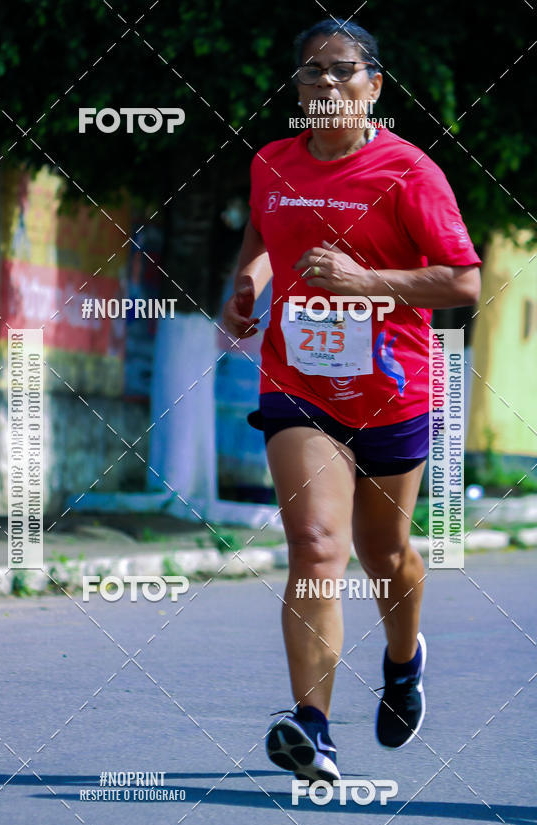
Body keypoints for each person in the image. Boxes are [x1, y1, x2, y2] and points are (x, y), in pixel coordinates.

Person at [221, 18, 481, 783]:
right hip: (298, 387)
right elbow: (263, 237)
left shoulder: (408, 173)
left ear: (374, 86)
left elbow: (462, 281)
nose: (326, 84)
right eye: (311, 72)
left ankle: (404, 662)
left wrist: (367, 283)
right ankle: (312, 727)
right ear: (297, 89)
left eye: (343, 71)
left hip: (391, 391)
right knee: (315, 547)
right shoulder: (271, 162)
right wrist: (251, 284)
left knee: (387, 556)